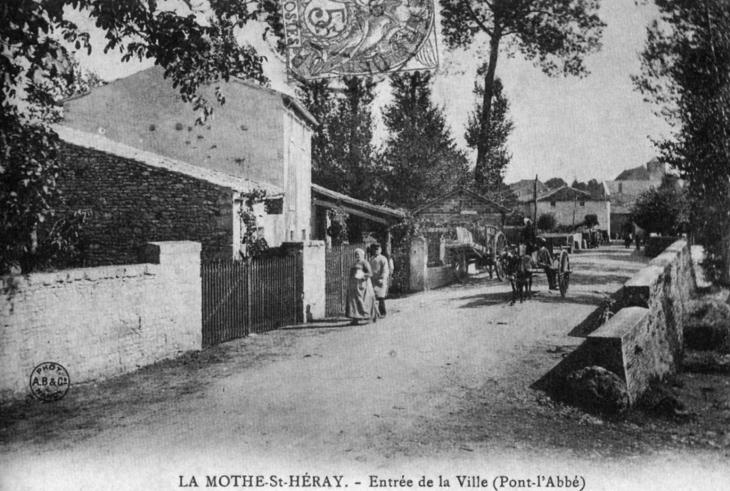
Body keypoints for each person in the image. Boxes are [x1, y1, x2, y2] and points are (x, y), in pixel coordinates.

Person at [345, 248, 377, 325]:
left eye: (358, 254)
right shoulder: (354, 263)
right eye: (356, 255)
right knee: (353, 302)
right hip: (354, 285)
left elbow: (370, 273)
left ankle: (368, 316)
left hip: (363, 285)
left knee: (363, 301)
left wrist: (362, 276)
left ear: (362, 255)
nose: (357, 256)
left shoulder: (365, 263)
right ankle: (355, 319)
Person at [369, 243, 390, 318]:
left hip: (380, 281)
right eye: (374, 249)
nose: (375, 251)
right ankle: (373, 313)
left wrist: (382, 278)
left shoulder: (383, 259)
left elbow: (385, 270)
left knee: (381, 297)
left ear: (380, 250)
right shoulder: (371, 259)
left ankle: (382, 312)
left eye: (377, 249)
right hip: (373, 280)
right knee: (372, 297)